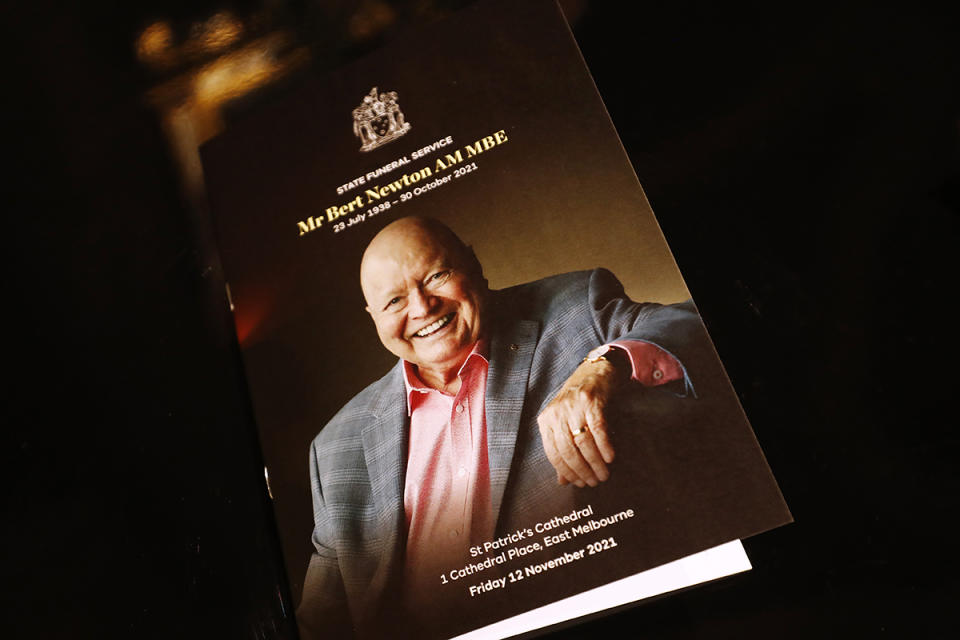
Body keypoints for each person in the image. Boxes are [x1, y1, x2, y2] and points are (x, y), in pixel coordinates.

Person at [296, 216, 706, 639]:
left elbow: (697, 326)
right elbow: (320, 623)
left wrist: (605, 365)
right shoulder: (334, 446)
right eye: (394, 301)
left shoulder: (575, 308)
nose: (421, 308)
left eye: (437, 275)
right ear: (373, 317)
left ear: (472, 264)